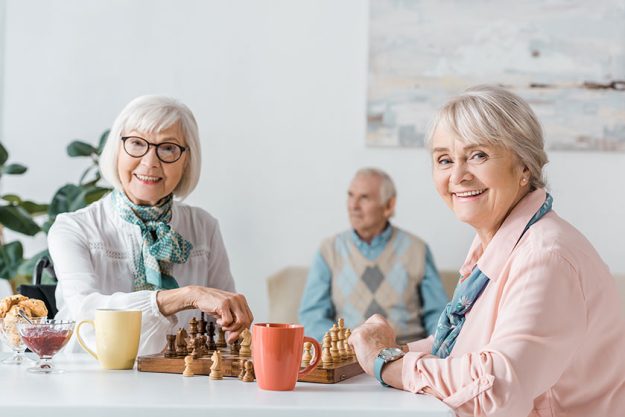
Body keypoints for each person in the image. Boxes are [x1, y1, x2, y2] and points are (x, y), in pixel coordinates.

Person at [348, 86, 625, 417]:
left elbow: (496, 390)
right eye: (444, 160)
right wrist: (387, 352)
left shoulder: (545, 256)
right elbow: (464, 349)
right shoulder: (501, 243)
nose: (458, 176)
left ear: (524, 166)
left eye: (477, 155)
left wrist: (388, 363)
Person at [49, 95, 253, 355]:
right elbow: (86, 311)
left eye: (168, 148)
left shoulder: (204, 227)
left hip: (182, 383)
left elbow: (223, 326)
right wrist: (186, 296)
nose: (149, 162)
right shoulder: (74, 228)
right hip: (91, 379)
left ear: (186, 160)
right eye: (136, 143)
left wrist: (233, 323)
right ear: (117, 149)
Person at [299, 168, 448, 343]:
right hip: (349, 359)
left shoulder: (417, 249)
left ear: (388, 206)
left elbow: (438, 315)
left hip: (405, 355)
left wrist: (434, 350)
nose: (353, 206)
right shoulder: (329, 250)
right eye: (350, 195)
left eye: (364, 198)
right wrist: (342, 348)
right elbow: (312, 316)